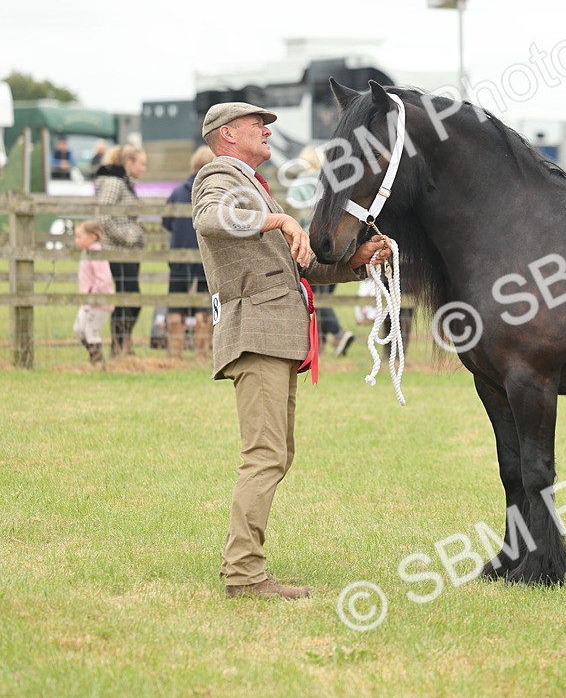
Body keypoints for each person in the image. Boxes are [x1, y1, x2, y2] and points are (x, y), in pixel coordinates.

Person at [193, 102, 390, 600]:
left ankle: (245, 567)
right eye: (256, 125)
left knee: (276, 454)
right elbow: (210, 218)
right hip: (256, 334)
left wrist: (358, 262)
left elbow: (299, 269)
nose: (266, 130)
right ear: (227, 135)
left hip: (275, 335)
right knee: (264, 456)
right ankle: (243, 574)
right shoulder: (218, 176)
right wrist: (278, 218)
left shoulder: (254, 187)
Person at [163, 146, 215, 358]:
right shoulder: (213, 191)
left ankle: (175, 352)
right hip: (206, 257)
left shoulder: (177, 192)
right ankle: (201, 353)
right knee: (204, 302)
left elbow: (166, 222)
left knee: (176, 302)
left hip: (178, 257)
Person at [95, 144, 147, 356]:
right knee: (130, 298)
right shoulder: (114, 183)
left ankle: (122, 344)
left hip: (127, 251)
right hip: (117, 250)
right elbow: (104, 216)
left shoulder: (124, 183)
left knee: (130, 297)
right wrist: (128, 237)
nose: (144, 168)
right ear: (128, 163)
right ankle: (119, 345)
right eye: (142, 164)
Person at [73, 220, 114, 367]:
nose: (76, 240)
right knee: (79, 330)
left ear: (92, 237)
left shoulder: (96, 253)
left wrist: (94, 294)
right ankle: (95, 358)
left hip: (98, 302)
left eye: (79, 236)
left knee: (91, 331)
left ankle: (97, 361)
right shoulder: (88, 252)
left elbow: (104, 278)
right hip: (87, 301)